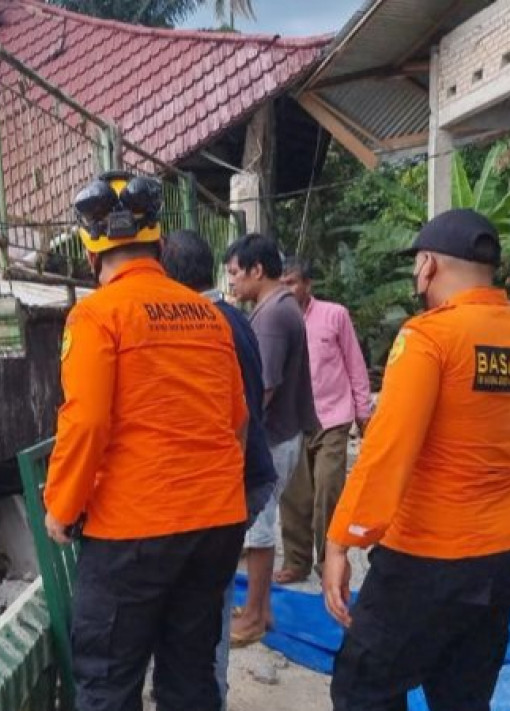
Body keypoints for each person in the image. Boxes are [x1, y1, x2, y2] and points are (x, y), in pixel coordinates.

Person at [322, 209, 510, 711]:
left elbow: (388, 450)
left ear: (427, 266)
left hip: (429, 556)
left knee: (364, 685)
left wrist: (343, 542)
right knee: (463, 695)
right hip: (509, 553)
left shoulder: (429, 338)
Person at [43, 171, 249, 711]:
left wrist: (62, 508)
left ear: (92, 253)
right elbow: (234, 418)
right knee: (190, 675)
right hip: (216, 525)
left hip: (133, 532)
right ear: (158, 241)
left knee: (108, 681)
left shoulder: (95, 315)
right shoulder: (209, 315)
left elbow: (86, 422)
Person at [162, 229, 278, 708]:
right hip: (246, 477)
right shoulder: (233, 318)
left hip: (230, 484)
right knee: (206, 600)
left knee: (202, 611)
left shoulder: (198, 325)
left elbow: (234, 421)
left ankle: (214, 694)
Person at [223, 233, 320, 645]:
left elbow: (262, 387)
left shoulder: (273, 316)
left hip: (273, 437)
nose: (231, 284)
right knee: (262, 526)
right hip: (283, 434)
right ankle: (260, 610)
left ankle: (254, 617)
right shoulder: (278, 309)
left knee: (259, 530)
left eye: (234, 274)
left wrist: (240, 438)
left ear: (256, 270)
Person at [276, 257, 373, 584]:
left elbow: (355, 365)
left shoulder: (335, 315)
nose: (287, 290)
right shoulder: (276, 320)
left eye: (292, 283)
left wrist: (363, 413)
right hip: (292, 420)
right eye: (283, 283)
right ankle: (296, 561)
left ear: (307, 285)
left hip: (332, 417)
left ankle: (328, 559)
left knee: (328, 490)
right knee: (294, 495)